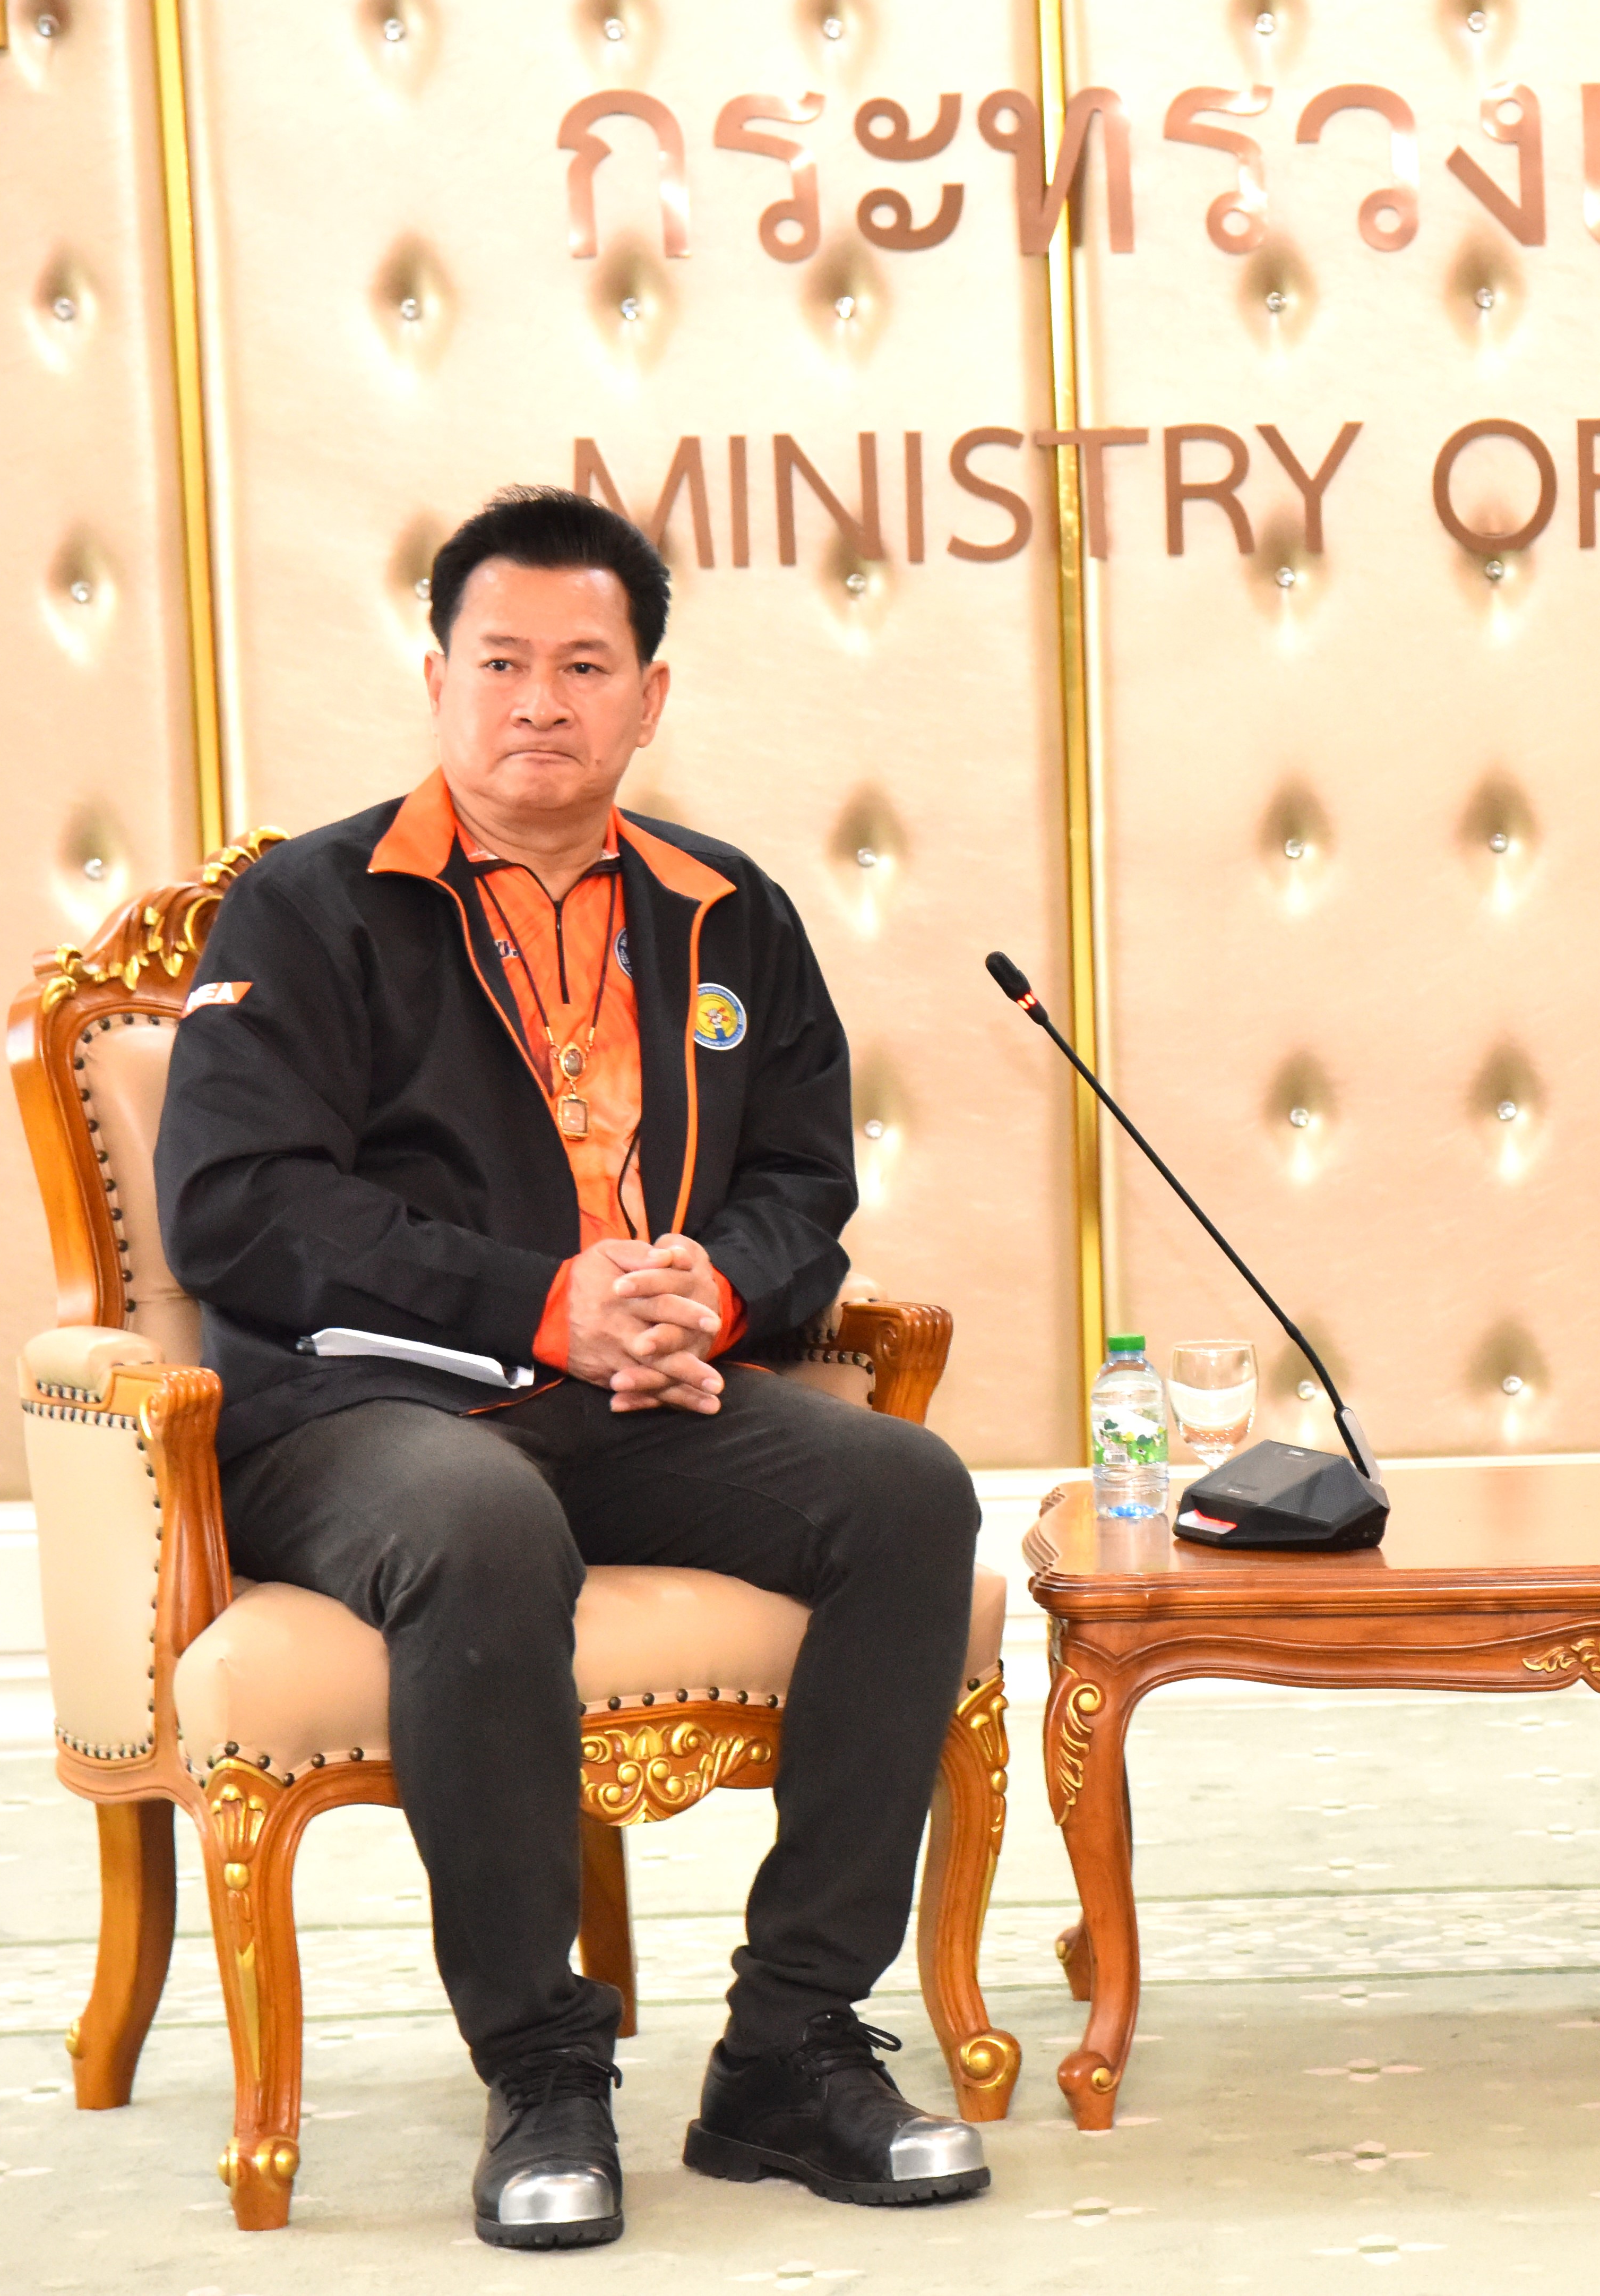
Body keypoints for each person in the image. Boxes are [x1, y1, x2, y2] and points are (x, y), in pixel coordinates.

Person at [158, 486, 992, 2247]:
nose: (541, 700)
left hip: (636, 1404)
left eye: (585, 666)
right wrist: (543, 1302)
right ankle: (542, 2064)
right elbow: (239, 1208)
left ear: (649, 697)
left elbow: (804, 1183)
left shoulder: (728, 911)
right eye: (502, 661)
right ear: (438, 680)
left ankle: (788, 2051)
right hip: (363, 1414)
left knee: (908, 1493)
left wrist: (710, 1293)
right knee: (479, 1519)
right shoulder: (309, 909)